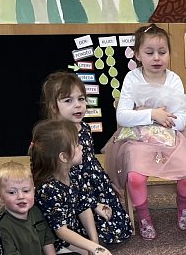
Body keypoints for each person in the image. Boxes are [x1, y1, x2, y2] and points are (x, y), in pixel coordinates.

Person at [103, 23, 186, 240]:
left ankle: (183, 207)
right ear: (138, 55)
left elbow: (181, 122)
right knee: (135, 176)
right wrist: (154, 114)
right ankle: (144, 217)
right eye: (149, 53)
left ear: (169, 53)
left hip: (171, 137)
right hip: (138, 140)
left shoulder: (174, 79)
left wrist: (143, 112)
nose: (157, 58)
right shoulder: (132, 78)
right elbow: (122, 117)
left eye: (162, 52)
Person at [40, 71, 133, 245]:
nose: (78, 105)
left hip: (93, 182)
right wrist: (92, 203)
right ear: (53, 106)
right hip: (72, 190)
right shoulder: (55, 137)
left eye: (81, 99)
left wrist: (106, 182)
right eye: (68, 101)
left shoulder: (84, 128)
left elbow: (90, 159)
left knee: (116, 222)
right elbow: (62, 175)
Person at [30, 119, 119, 255]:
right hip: (53, 242)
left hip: (71, 232)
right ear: (63, 157)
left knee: (99, 246)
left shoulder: (74, 174)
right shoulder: (48, 189)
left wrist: (94, 242)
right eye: (77, 145)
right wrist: (93, 248)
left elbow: (83, 207)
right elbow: (61, 231)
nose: (81, 147)